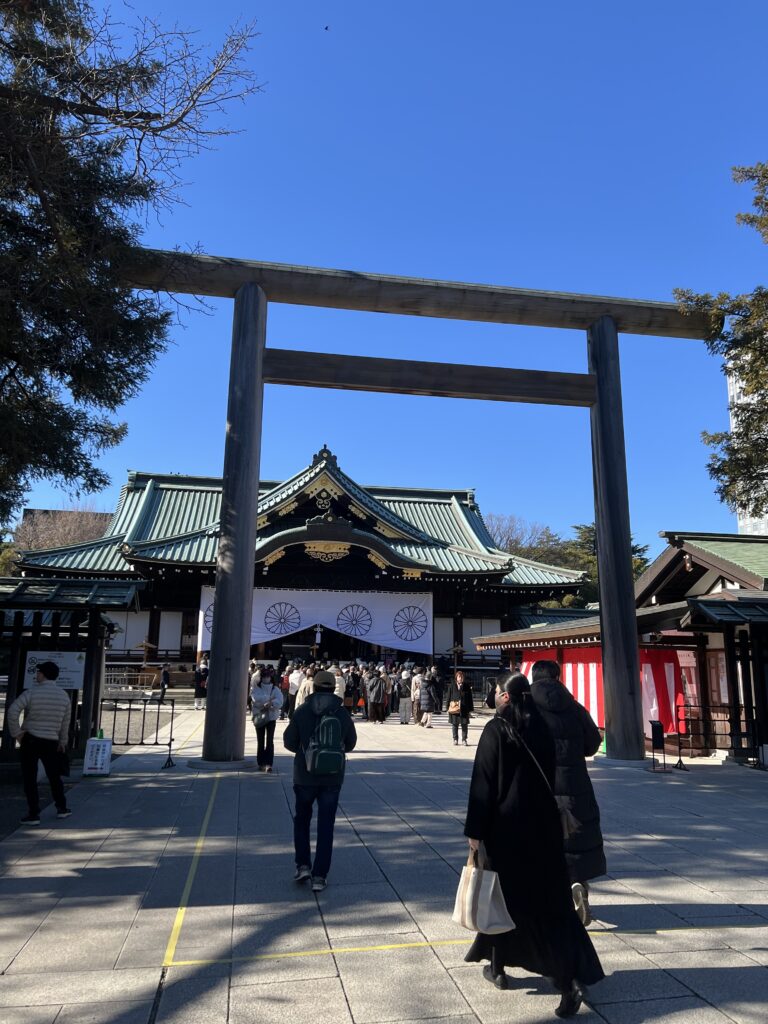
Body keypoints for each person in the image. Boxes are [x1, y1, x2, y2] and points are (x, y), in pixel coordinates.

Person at [463, 672, 604, 1018]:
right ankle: (506, 965)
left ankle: (554, 977)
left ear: (505, 697)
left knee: (506, 899)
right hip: (544, 827)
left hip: (506, 830)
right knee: (548, 902)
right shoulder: (540, 728)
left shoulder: (496, 730)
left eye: (496, 691)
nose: (494, 696)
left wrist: (474, 831)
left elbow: (483, 785)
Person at [530, 660, 606, 926]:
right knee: (574, 839)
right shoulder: (574, 707)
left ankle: (549, 900)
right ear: (558, 676)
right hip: (575, 784)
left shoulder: (527, 708)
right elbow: (593, 743)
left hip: (539, 784)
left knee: (541, 842)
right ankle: (577, 883)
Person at [283, 669, 357, 892]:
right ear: (334, 688)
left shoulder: (302, 711)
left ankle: (303, 865)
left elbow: (289, 742)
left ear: (313, 687)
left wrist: (306, 751)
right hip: (332, 777)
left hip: (304, 776)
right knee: (326, 825)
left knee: (302, 820)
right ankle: (320, 876)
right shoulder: (342, 713)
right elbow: (351, 743)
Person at [8, 660, 73, 825]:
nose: (36, 675)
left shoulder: (31, 692)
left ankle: (33, 813)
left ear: (43, 674)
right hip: (51, 740)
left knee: (30, 777)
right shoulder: (63, 695)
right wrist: (63, 741)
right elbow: (65, 723)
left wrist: (17, 733)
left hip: (30, 738)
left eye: (38, 672)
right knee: (54, 776)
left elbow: (13, 711)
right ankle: (62, 808)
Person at [250, 668, 283, 772]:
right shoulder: (256, 688)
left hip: (271, 718)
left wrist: (271, 704)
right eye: (264, 676)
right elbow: (255, 699)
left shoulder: (275, 689)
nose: (266, 678)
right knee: (260, 740)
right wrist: (269, 700)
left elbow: (280, 701)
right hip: (259, 717)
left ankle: (268, 763)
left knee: (269, 741)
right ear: (261, 678)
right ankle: (261, 763)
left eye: (268, 676)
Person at [446, 669, 474, 746]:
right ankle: (455, 739)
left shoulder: (467, 686)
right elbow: (448, 697)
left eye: (461, 677)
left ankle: (464, 740)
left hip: (464, 709)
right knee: (454, 724)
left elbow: (470, 699)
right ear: (456, 678)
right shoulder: (452, 686)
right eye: (459, 677)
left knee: (464, 725)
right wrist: (447, 708)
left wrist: (470, 709)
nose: (460, 678)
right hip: (454, 708)